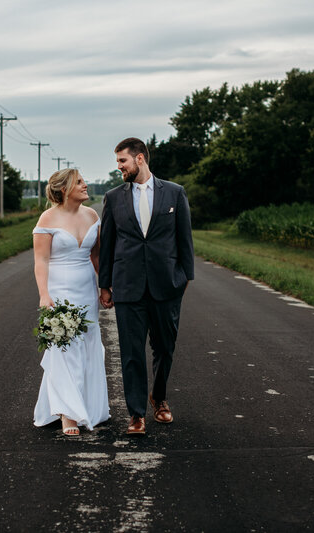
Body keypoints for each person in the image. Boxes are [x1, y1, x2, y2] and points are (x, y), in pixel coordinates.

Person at [99, 137, 194, 436]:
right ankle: (136, 413)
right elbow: (108, 245)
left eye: (122, 161)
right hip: (128, 287)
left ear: (139, 159)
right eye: (117, 163)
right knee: (131, 352)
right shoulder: (113, 198)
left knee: (165, 348)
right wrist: (105, 284)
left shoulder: (175, 193)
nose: (119, 168)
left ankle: (159, 396)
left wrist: (184, 279)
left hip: (166, 286)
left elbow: (185, 241)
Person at [32, 168, 110, 436]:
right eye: (79, 182)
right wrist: (44, 295)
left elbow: (97, 257)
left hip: (86, 288)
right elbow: (40, 261)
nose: (85, 185)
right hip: (59, 289)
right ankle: (68, 415)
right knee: (64, 348)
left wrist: (105, 286)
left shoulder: (92, 215)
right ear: (64, 189)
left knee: (87, 345)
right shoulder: (48, 218)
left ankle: (87, 405)